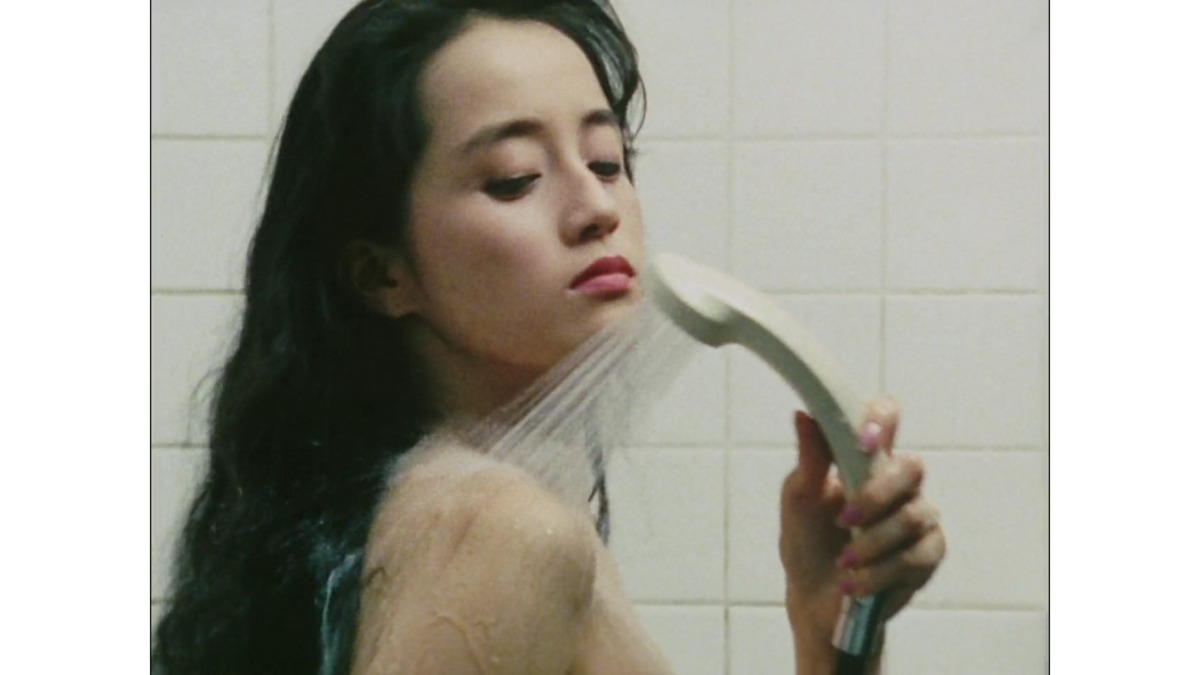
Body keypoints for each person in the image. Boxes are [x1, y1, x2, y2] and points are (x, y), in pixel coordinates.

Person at [151, 1, 946, 673]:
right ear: (380, 273)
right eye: (515, 178)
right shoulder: (503, 532)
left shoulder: (452, 510)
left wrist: (826, 629)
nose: (597, 208)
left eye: (606, 160)